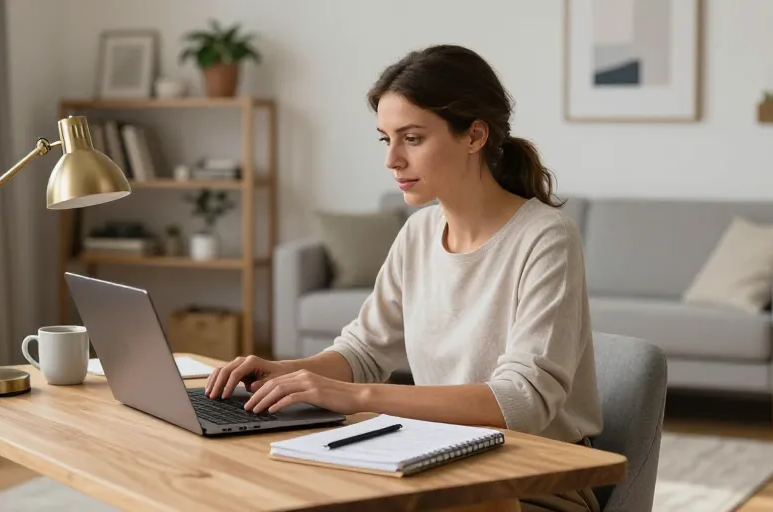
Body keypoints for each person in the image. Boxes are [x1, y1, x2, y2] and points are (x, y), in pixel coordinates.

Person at [204, 44, 603, 512]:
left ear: (474, 136)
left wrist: (353, 396)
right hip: (434, 461)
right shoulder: (418, 232)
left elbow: (520, 404)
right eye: (385, 139)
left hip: (530, 482)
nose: (392, 159)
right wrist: (286, 371)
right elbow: (364, 351)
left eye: (411, 138)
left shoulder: (545, 238)